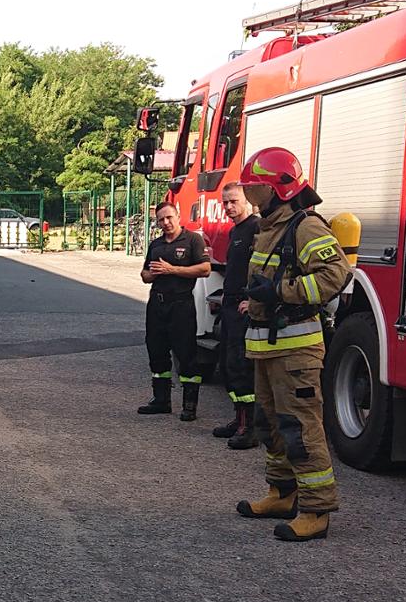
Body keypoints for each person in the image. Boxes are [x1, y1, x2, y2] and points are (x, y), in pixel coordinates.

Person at [231, 147, 351, 543]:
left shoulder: (304, 226)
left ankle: (316, 510)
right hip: (267, 345)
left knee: (301, 427)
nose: (251, 198)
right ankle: (282, 493)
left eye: (256, 190)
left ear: (278, 189)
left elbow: (335, 274)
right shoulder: (271, 226)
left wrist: (281, 291)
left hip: (295, 347)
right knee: (271, 425)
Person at [138, 202, 209, 423]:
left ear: (178, 216)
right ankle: (161, 400)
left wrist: (173, 270)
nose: (166, 223)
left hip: (181, 305)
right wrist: (150, 275)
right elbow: (144, 272)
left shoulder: (192, 240)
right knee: (156, 351)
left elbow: (205, 269)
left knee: (186, 354)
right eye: (161, 219)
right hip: (157, 304)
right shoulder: (156, 244)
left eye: (169, 217)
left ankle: (189, 405)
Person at [210, 181, 261, 450]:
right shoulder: (236, 231)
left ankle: (249, 428)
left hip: (243, 307)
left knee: (242, 367)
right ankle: (238, 418)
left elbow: (265, 269)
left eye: (234, 201)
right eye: (225, 202)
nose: (229, 206)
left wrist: (251, 299)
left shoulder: (257, 228)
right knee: (229, 365)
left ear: (247, 201)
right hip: (230, 306)